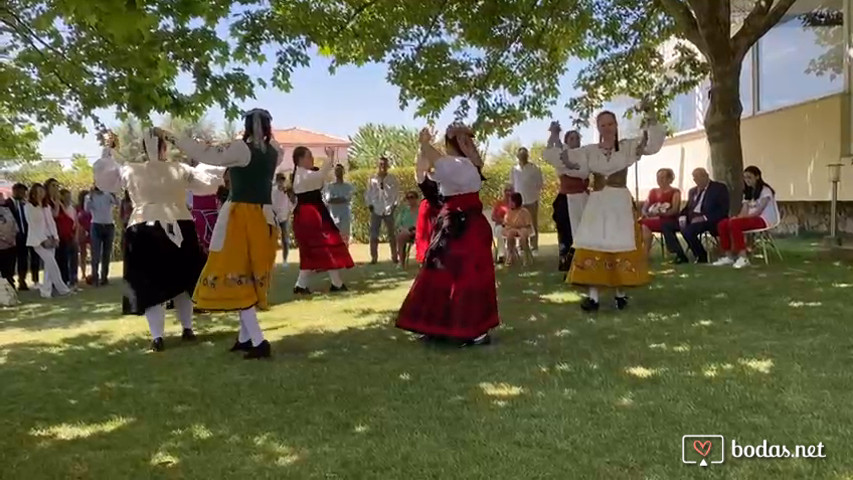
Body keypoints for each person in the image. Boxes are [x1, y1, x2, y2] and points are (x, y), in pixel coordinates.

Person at [156, 109, 281, 359]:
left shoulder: (240, 150)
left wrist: (172, 137)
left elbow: (206, 154)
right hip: (265, 216)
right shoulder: (275, 151)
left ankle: (258, 341)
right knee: (248, 275)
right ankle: (245, 338)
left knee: (235, 272)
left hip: (241, 217)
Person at [93, 130, 222, 351]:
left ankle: (158, 336)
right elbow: (208, 181)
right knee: (182, 280)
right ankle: (186, 328)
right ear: (165, 147)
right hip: (177, 225)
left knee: (153, 283)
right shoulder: (178, 169)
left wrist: (108, 149)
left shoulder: (132, 169)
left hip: (145, 228)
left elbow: (105, 176)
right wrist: (206, 152)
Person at [546, 105, 666, 311]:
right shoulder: (590, 152)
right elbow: (563, 158)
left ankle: (620, 294)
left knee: (619, 243)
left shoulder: (628, 147)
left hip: (619, 201)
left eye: (610, 124)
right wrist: (555, 136)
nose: (607, 128)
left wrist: (650, 116)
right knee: (595, 244)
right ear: (598, 128)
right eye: (603, 125)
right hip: (599, 202)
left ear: (616, 125)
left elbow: (651, 144)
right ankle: (593, 297)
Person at [396, 124, 499, 347]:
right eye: (463, 140)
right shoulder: (458, 166)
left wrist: (424, 143)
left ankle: (471, 330)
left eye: (469, 141)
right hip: (453, 224)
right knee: (441, 273)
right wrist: (422, 148)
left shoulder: (462, 165)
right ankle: (437, 325)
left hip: (466, 227)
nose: (469, 144)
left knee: (465, 276)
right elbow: (423, 173)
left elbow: (438, 163)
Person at [292, 146, 355, 293]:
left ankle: (302, 285)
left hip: (312, 213)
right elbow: (320, 177)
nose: (312, 159)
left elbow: (319, 180)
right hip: (311, 215)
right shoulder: (303, 175)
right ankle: (336, 284)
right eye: (309, 156)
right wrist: (330, 158)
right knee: (326, 246)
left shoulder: (303, 174)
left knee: (318, 249)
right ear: (300, 160)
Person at [544, 128, 590, 276]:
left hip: (582, 198)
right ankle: (569, 266)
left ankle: (584, 264)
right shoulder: (561, 156)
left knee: (583, 232)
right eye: (571, 139)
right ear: (567, 141)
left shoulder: (584, 155)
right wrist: (553, 135)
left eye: (577, 138)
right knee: (567, 233)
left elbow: (584, 171)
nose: (575, 141)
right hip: (567, 199)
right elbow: (551, 154)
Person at [713, 166, 778, 269]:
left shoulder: (766, 191)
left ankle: (743, 257)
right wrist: (738, 217)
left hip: (763, 219)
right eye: (745, 178)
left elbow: (759, 211)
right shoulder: (747, 192)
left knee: (735, 224)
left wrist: (741, 219)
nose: (747, 180)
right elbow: (744, 210)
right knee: (723, 224)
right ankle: (728, 256)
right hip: (750, 218)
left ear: (757, 177)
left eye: (749, 177)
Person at [661, 168, 730, 264]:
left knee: (688, 230)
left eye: (698, 177)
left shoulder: (719, 188)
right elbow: (688, 207)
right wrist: (682, 216)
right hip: (691, 218)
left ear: (706, 176)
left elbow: (723, 209)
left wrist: (704, 218)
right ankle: (680, 255)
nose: (696, 180)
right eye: (694, 178)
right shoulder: (692, 191)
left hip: (708, 219)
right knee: (666, 225)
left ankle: (701, 256)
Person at [25, 183, 72, 299]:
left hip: (50, 237)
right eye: (38, 192)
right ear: (33, 194)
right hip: (37, 239)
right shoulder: (29, 207)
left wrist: (56, 237)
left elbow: (51, 223)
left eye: (42, 191)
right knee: (52, 264)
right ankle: (63, 289)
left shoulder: (46, 207)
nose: (41, 194)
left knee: (49, 267)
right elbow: (33, 225)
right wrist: (43, 240)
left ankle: (46, 291)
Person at [639, 168, 681, 258]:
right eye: (658, 178)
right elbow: (645, 206)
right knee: (640, 224)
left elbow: (675, 210)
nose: (660, 180)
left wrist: (659, 215)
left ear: (670, 179)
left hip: (668, 219)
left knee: (645, 224)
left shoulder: (675, 192)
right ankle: (639, 252)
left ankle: (645, 253)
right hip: (651, 219)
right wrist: (645, 213)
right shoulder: (653, 191)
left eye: (663, 177)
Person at [365, 157, 400, 264]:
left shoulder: (392, 179)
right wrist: (370, 205)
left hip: (389, 209)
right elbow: (368, 193)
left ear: (387, 165)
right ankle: (374, 257)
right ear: (378, 165)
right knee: (374, 235)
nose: (383, 166)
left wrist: (394, 205)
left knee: (392, 235)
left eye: (384, 164)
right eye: (381, 164)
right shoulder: (372, 179)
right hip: (376, 208)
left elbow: (397, 193)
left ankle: (394, 256)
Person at [6, 183, 39, 290]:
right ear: (14, 191)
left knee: (25, 259)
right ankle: (11, 281)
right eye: (20, 191)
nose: (22, 194)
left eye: (24, 192)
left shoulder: (26, 204)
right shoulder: (7, 204)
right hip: (13, 237)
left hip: (27, 235)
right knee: (14, 260)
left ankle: (23, 280)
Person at [511, 146, 543, 251]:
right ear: (517, 156)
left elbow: (540, 184)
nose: (522, 156)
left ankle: (534, 247)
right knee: (520, 224)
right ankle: (522, 246)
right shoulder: (514, 170)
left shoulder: (534, 168)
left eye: (524, 154)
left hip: (532, 200)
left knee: (532, 224)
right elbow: (512, 185)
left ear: (527, 155)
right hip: (519, 202)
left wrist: (534, 192)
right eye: (520, 154)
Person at [85, 184, 118, 286]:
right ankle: (95, 278)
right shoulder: (89, 197)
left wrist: (114, 195)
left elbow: (118, 203)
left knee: (106, 253)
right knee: (96, 253)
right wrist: (90, 196)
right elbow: (86, 209)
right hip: (96, 225)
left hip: (109, 226)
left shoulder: (108, 195)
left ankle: (104, 277)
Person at [413, 156, 441, 266]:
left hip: (439, 208)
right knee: (425, 234)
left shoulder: (438, 175)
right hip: (428, 208)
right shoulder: (421, 176)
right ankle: (424, 257)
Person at [324, 164, 355, 245]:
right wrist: (342, 199)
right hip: (334, 215)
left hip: (345, 215)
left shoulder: (348, 186)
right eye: (337, 171)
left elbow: (348, 198)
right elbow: (329, 199)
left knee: (345, 237)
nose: (339, 173)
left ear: (343, 172)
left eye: (340, 171)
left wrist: (336, 199)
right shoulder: (330, 187)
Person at [502, 192, 534, 266]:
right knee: (510, 234)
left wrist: (519, 227)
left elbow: (527, 224)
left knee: (523, 235)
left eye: (511, 201)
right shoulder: (509, 212)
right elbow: (506, 223)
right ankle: (510, 254)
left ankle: (525, 256)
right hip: (512, 228)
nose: (510, 203)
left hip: (523, 228)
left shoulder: (524, 211)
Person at [56, 188, 79, 286]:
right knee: (63, 259)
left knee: (74, 259)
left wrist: (76, 236)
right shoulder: (59, 208)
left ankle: (73, 278)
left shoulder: (72, 208)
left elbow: (76, 223)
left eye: (69, 197)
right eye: (66, 197)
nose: (68, 199)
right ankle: (64, 279)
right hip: (62, 237)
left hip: (71, 235)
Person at [272, 172, 295, 265]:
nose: (281, 182)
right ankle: (272, 259)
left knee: (285, 239)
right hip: (274, 217)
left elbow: (291, 205)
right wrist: (274, 215)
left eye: (282, 180)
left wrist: (289, 212)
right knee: (273, 239)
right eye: (279, 180)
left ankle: (285, 260)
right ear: (277, 181)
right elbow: (271, 204)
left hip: (284, 218)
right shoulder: (273, 192)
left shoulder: (287, 192)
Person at [394, 190, 419, 266]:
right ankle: (401, 262)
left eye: (412, 197)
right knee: (400, 237)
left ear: (416, 199)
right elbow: (398, 225)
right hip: (407, 232)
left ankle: (423, 261)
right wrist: (405, 230)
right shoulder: (404, 211)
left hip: (419, 232)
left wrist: (416, 230)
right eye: (408, 198)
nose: (410, 200)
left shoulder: (421, 210)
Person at [491, 185, 512, 263]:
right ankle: (501, 255)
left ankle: (510, 255)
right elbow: (493, 217)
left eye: (510, 190)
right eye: (506, 190)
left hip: (512, 227)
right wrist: (502, 221)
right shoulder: (499, 203)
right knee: (500, 231)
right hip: (500, 225)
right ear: (503, 192)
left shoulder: (515, 204)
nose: (508, 193)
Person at [76, 190, 92, 284]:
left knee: (93, 251)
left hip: (91, 230)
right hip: (81, 231)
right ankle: (83, 273)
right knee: (83, 253)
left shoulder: (90, 207)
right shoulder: (78, 208)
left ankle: (94, 271)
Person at [0, 202, 18, 285]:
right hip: (2, 243)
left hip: (11, 243)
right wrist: (4, 238)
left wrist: (12, 237)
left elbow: (14, 223)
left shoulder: (7, 210)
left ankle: (10, 281)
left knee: (10, 265)